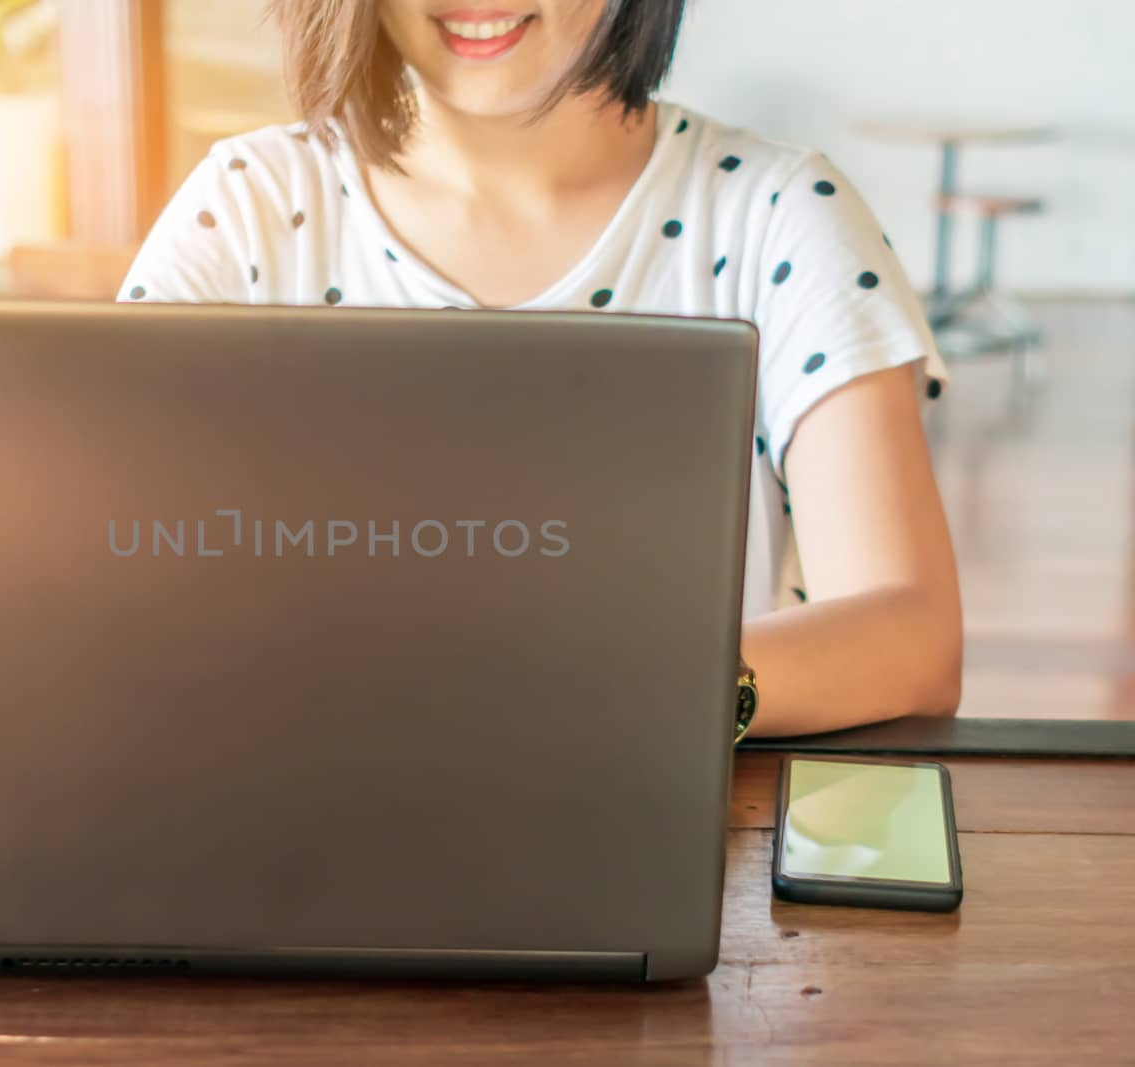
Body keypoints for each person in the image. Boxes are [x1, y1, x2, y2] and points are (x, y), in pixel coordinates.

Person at [120, 0, 962, 736]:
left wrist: (644, 703)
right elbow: (106, 577)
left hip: (662, 841)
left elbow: (911, 638)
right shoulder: (244, 208)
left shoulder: (778, 214)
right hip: (291, 830)